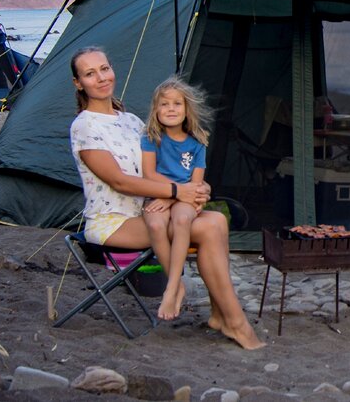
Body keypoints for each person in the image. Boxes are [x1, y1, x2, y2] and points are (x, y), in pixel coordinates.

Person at [68, 46, 264, 349]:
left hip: (151, 210)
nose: (101, 78)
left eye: (104, 69)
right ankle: (235, 321)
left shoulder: (131, 121)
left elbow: (164, 169)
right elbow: (119, 181)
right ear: (79, 83)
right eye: (90, 73)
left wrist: (197, 188)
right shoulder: (84, 126)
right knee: (210, 225)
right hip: (113, 223)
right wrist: (178, 192)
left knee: (216, 219)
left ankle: (219, 314)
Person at [139, 76, 210, 321]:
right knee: (156, 223)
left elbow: (197, 182)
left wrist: (174, 198)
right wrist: (171, 194)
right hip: (158, 193)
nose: (170, 109)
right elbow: (149, 174)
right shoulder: (151, 137)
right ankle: (175, 284)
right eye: (164, 104)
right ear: (155, 109)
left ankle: (169, 288)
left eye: (177, 104)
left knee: (182, 221)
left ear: (187, 108)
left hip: (185, 200)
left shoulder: (198, 142)